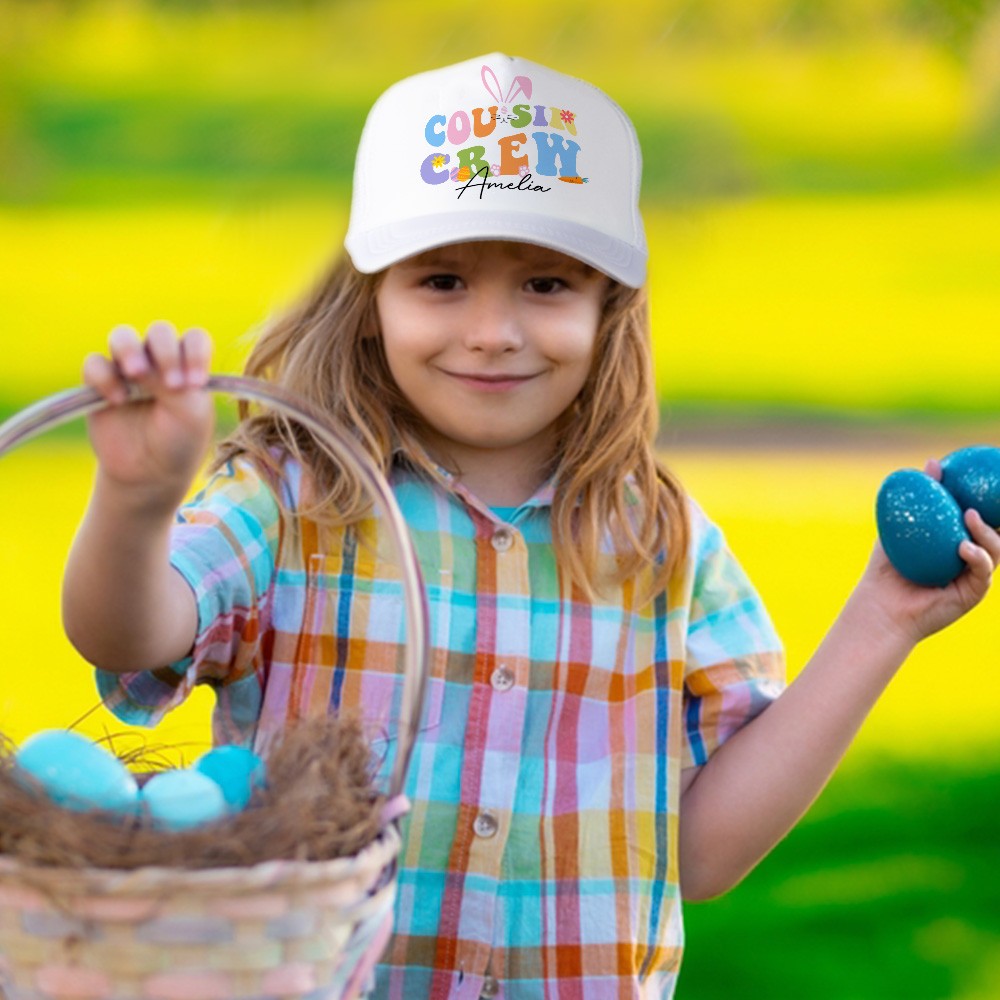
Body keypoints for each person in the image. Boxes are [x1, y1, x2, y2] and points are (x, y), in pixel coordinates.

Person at [62, 53, 999, 999]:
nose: (493, 330)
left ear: (608, 308)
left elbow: (704, 854)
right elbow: (126, 636)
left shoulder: (662, 547)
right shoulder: (294, 500)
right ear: (369, 299)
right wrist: (135, 504)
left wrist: (884, 620)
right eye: (441, 281)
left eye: (546, 284)